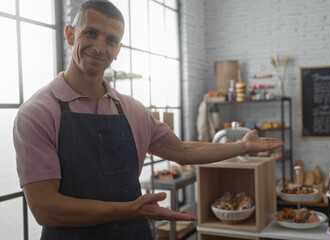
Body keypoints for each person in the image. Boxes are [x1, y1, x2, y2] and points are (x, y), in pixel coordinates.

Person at [12, 1, 284, 239]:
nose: (99, 47)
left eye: (111, 40)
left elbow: (182, 151)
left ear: (118, 49)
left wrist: (242, 147)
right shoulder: (37, 112)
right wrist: (129, 210)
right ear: (70, 35)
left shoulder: (132, 110)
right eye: (91, 33)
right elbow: (45, 208)